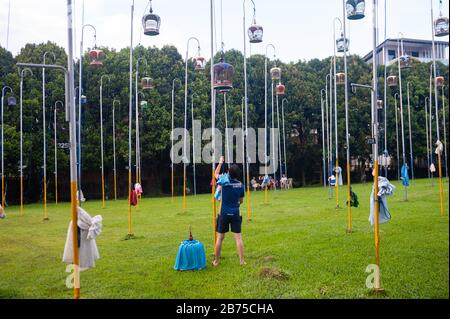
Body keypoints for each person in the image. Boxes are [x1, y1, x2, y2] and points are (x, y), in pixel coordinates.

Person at [213, 156, 246, 267]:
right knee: (238, 238)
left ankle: (216, 261)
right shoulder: (241, 185)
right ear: (238, 175)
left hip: (223, 213)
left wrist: (221, 162)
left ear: (228, 173)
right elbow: (241, 201)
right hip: (236, 213)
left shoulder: (224, 181)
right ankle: (242, 261)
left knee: (220, 238)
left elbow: (215, 174)